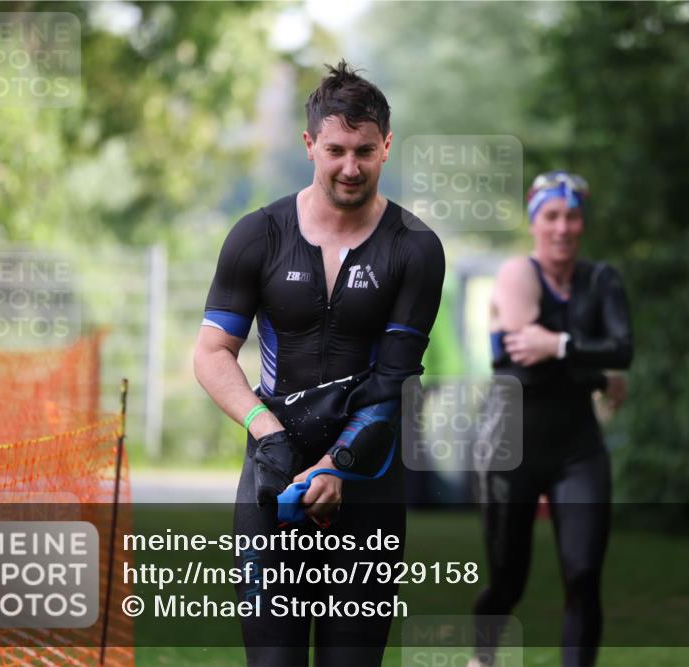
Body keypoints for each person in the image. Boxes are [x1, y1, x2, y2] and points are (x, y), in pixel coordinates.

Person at [193, 60, 445, 666]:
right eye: (335, 150)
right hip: (272, 480)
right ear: (310, 145)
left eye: (365, 151)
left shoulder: (415, 248)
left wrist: (338, 467)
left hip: (370, 484)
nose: (350, 167)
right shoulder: (258, 235)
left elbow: (395, 380)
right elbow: (211, 353)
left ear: (387, 146)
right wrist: (268, 434)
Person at [471, 171, 633, 667]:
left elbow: (623, 349)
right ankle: (483, 656)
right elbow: (529, 367)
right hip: (511, 445)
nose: (563, 227)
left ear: (583, 222)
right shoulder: (517, 274)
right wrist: (599, 376)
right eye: (552, 216)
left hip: (576, 448)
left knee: (583, 576)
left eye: (573, 216)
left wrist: (560, 344)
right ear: (535, 222)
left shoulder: (602, 279)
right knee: (507, 582)